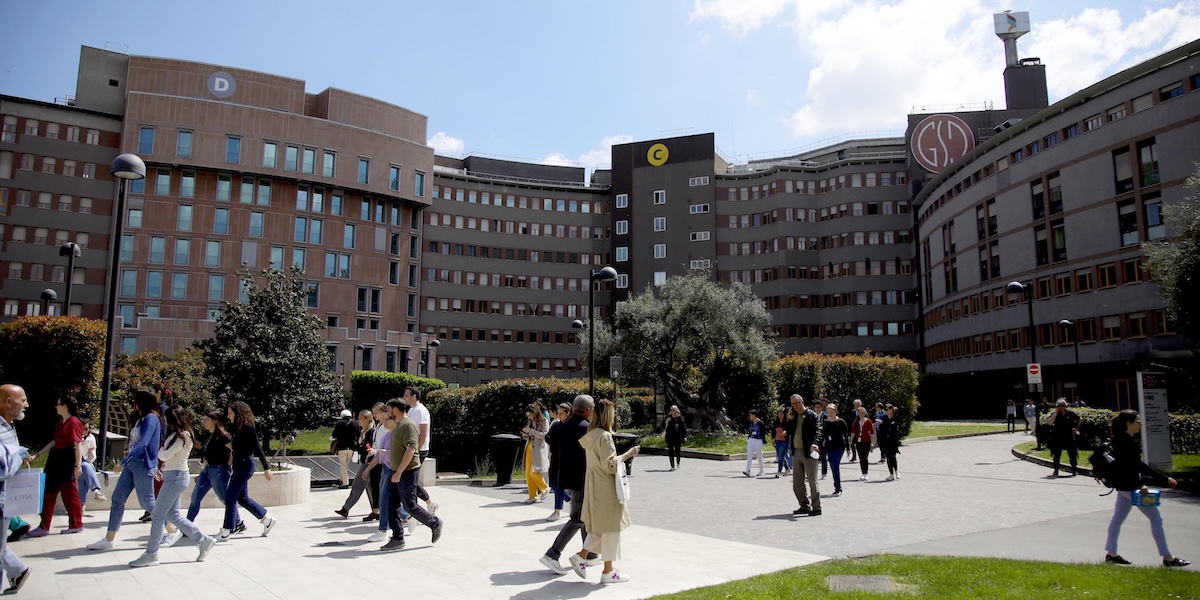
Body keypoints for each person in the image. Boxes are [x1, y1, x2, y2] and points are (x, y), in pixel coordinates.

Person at [129, 406, 216, 567]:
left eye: (167, 419)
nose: (165, 422)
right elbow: (163, 455)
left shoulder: (183, 436)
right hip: (172, 476)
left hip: (176, 477)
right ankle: (203, 540)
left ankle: (151, 553)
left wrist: (161, 451)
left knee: (157, 514)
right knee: (173, 515)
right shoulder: (176, 435)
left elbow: (164, 455)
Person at [1102, 410, 1190, 568]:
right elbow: (1132, 467)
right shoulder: (1126, 442)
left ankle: (1112, 554)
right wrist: (1147, 484)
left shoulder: (1122, 440)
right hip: (1132, 488)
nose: (1140, 423)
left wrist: (1160, 479)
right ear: (1129, 424)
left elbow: (1133, 466)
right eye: (1137, 421)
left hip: (1124, 488)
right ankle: (1168, 558)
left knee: (1117, 520)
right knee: (1156, 519)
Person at [568, 399, 640, 584]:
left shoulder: (592, 434)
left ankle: (586, 558)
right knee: (611, 527)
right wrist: (628, 454)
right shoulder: (605, 437)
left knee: (604, 527)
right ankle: (607, 570)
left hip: (594, 484)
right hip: (606, 486)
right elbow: (609, 465)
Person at [86, 390, 161, 551]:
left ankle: (173, 528)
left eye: (134, 401)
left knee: (147, 502)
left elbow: (143, 444)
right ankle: (109, 539)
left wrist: (124, 461)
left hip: (141, 464)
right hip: (133, 465)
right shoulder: (141, 420)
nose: (132, 404)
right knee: (117, 499)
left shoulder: (151, 419)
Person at [539, 394, 602, 575]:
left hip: (567, 476)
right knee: (578, 518)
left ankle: (588, 554)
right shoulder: (585, 428)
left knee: (583, 516)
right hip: (581, 478)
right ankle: (553, 554)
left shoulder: (563, 426)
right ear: (588, 410)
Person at [379, 399, 443, 552]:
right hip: (396, 471)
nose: (387, 414)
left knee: (409, 505)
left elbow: (411, 450)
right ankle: (397, 538)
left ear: (395, 409)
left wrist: (399, 472)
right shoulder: (398, 425)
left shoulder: (408, 425)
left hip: (407, 472)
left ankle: (434, 523)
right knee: (391, 505)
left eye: (388, 410)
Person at [214, 401, 275, 542]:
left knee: (230, 497)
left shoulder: (248, 428)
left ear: (238, 413)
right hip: (239, 465)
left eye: (230, 413)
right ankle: (267, 519)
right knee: (242, 498)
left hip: (244, 465)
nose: (228, 416)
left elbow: (257, 447)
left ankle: (227, 530)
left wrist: (266, 467)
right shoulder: (238, 428)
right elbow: (238, 446)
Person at [25, 397, 85, 536]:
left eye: (58, 404)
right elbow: (54, 442)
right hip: (56, 460)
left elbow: (78, 444)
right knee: (68, 494)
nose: (55, 407)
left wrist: (78, 465)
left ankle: (46, 526)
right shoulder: (61, 423)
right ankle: (75, 524)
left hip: (64, 461)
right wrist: (37, 455)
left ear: (64, 406)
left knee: (52, 494)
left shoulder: (73, 423)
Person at [187, 411, 245, 535]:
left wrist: (228, 466)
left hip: (218, 471)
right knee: (195, 498)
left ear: (215, 420)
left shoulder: (223, 436)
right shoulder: (209, 435)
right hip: (206, 471)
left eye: (206, 420)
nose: (204, 423)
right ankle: (187, 526)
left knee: (225, 499)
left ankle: (238, 522)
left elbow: (234, 451)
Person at [0, 385, 34, 594]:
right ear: (8, 402)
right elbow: (2, 468)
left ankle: (17, 570)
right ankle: (17, 570)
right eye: (23, 399)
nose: (27, 404)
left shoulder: (8, 426)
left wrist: (18, 458)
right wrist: (19, 456)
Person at [403, 387, 439, 515]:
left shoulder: (420, 411)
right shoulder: (412, 410)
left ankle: (425, 505)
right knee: (409, 480)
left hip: (419, 450)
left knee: (409, 480)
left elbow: (423, 433)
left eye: (406, 395)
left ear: (414, 396)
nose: (404, 397)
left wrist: (416, 450)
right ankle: (425, 505)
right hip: (412, 449)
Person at [336, 410, 378, 519]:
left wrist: (359, 447)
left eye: (360, 418)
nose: (358, 421)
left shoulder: (371, 432)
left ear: (367, 419)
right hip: (366, 461)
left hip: (369, 463)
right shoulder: (363, 431)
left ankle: (346, 508)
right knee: (370, 489)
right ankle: (376, 510)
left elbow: (369, 447)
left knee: (357, 485)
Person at [789, 394, 822, 517]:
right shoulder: (794, 416)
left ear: (802, 402)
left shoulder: (811, 415)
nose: (795, 406)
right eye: (793, 403)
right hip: (796, 451)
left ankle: (817, 507)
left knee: (812, 481)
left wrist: (815, 443)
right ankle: (804, 505)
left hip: (808, 452)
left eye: (797, 403)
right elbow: (789, 432)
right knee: (797, 482)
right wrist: (790, 420)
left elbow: (818, 430)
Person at [545, 403, 573, 521]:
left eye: (562, 413)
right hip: (556, 458)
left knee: (559, 486)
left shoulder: (571, 427)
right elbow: (548, 437)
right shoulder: (556, 425)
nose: (559, 416)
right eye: (559, 413)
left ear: (568, 413)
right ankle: (569, 501)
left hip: (566, 460)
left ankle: (558, 511)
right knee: (556, 486)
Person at [522, 403, 551, 503]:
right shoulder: (530, 421)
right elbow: (530, 434)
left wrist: (531, 431)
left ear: (535, 412)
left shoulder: (544, 421)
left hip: (538, 449)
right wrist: (525, 434)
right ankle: (532, 496)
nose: (529, 417)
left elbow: (544, 435)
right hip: (529, 446)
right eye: (528, 415)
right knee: (528, 473)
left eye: (530, 415)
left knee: (534, 472)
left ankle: (545, 488)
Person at [1047, 398, 1081, 477]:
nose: (1062, 407)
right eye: (1060, 406)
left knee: (1072, 453)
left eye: (1063, 405)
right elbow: (1049, 423)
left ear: (1066, 406)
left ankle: (1074, 469)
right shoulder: (1055, 414)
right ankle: (1056, 469)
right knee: (1056, 454)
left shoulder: (1071, 413)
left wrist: (1076, 428)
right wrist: (1055, 413)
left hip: (1068, 435)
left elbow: (1080, 419)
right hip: (1057, 436)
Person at [76, 420, 105, 508]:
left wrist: (90, 452)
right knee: (84, 470)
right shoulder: (75, 438)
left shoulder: (90, 438)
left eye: (88, 428)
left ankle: (81, 504)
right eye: (84, 429)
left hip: (87, 463)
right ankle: (96, 491)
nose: (87, 430)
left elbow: (92, 458)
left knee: (84, 471)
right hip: (76, 464)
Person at [822, 404, 849, 495]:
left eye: (832, 412)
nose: (830, 414)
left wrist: (848, 448)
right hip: (829, 447)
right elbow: (823, 434)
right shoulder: (826, 422)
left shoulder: (841, 422)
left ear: (835, 411)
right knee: (833, 467)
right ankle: (836, 485)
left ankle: (838, 488)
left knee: (835, 464)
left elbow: (845, 435)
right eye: (828, 412)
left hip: (839, 446)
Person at [330, 409, 360, 489]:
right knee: (345, 465)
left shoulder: (340, 423)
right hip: (352, 448)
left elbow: (334, 435)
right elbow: (358, 434)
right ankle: (341, 480)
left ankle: (345, 483)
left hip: (342, 447)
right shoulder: (356, 423)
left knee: (343, 465)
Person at [878, 404, 901, 481]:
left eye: (887, 409)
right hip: (885, 441)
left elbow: (896, 429)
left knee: (893, 456)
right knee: (888, 457)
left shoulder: (896, 418)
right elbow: (882, 429)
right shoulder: (884, 418)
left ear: (891, 410)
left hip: (893, 441)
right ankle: (891, 474)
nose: (886, 411)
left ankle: (896, 470)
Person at [852, 406, 875, 481]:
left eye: (862, 413)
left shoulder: (868, 421)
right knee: (861, 458)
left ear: (865, 413)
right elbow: (853, 432)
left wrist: (872, 442)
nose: (861, 414)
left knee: (865, 458)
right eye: (860, 413)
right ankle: (863, 473)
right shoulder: (856, 422)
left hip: (866, 441)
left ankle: (866, 473)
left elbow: (871, 432)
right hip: (859, 442)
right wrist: (851, 441)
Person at [663, 405, 687, 471]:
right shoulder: (669, 418)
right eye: (671, 410)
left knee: (677, 451)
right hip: (670, 437)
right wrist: (667, 421)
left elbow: (683, 429)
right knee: (670, 451)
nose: (672, 411)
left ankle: (678, 461)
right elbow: (664, 426)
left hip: (678, 437)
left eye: (673, 410)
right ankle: (672, 465)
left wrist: (684, 436)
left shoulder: (680, 419)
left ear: (676, 410)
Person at [743, 409, 765, 478]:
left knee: (759, 455)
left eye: (751, 415)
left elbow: (763, 432)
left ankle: (761, 471)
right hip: (751, 439)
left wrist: (763, 440)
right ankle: (748, 470)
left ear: (754, 415)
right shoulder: (750, 422)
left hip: (758, 440)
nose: (750, 416)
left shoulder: (760, 423)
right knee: (749, 454)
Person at [772, 407, 791, 478]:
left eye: (781, 414)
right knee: (780, 456)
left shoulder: (787, 422)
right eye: (779, 414)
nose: (780, 416)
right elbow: (773, 431)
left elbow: (790, 430)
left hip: (784, 441)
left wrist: (786, 432)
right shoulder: (776, 422)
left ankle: (779, 471)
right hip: (777, 440)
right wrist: (773, 439)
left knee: (781, 456)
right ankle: (787, 468)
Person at [846, 400, 863, 464]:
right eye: (855, 405)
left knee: (860, 443)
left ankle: (861, 455)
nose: (856, 406)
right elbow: (850, 420)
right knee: (852, 443)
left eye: (858, 405)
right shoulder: (852, 412)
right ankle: (854, 455)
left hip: (861, 429)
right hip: (853, 429)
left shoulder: (863, 411)